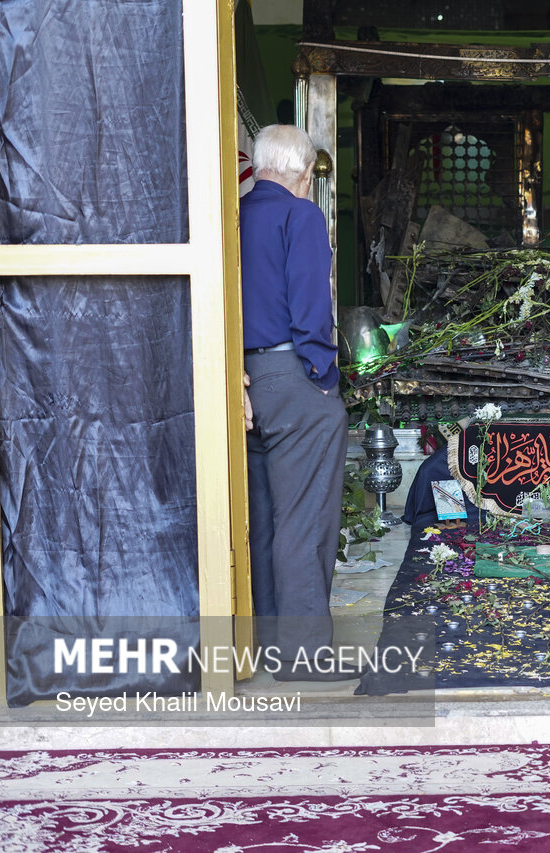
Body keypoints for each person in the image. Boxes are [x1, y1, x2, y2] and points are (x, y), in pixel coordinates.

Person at [241, 124, 355, 681]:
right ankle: (304, 654)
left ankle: (266, 643)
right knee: (304, 519)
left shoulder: (232, 216)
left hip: (243, 383)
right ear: (306, 171)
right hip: (293, 376)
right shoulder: (300, 215)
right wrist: (324, 376)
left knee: (263, 520)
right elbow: (312, 305)